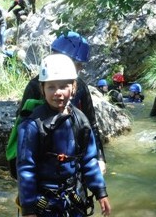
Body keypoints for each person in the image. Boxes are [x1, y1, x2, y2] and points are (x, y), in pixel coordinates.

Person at [17, 53, 112, 217]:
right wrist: (28, 210)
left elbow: (89, 160)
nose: (58, 92)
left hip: (74, 197)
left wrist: (100, 191)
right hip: (44, 200)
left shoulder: (80, 121)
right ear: (42, 89)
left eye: (64, 86)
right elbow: (25, 169)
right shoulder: (31, 125)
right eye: (51, 87)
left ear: (74, 87)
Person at [17, 31, 107, 174]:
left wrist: (100, 158)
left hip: (72, 154)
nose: (81, 68)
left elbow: (91, 124)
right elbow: (22, 123)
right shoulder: (36, 85)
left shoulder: (80, 86)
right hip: (42, 157)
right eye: (79, 64)